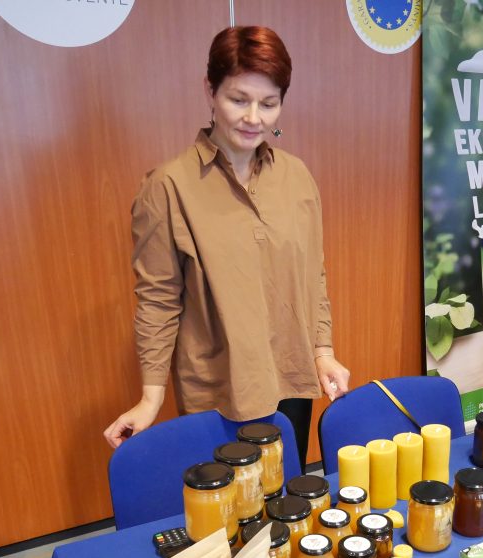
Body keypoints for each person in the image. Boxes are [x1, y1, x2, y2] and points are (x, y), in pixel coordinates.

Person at [104, 26, 350, 462]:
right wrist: (150, 398)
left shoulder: (296, 178)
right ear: (210, 91)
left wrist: (323, 352)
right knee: (231, 499)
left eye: (268, 103)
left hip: (292, 380)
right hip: (218, 391)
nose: (254, 118)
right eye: (239, 99)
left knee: (286, 493)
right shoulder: (168, 187)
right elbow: (158, 300)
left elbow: (313, 274)